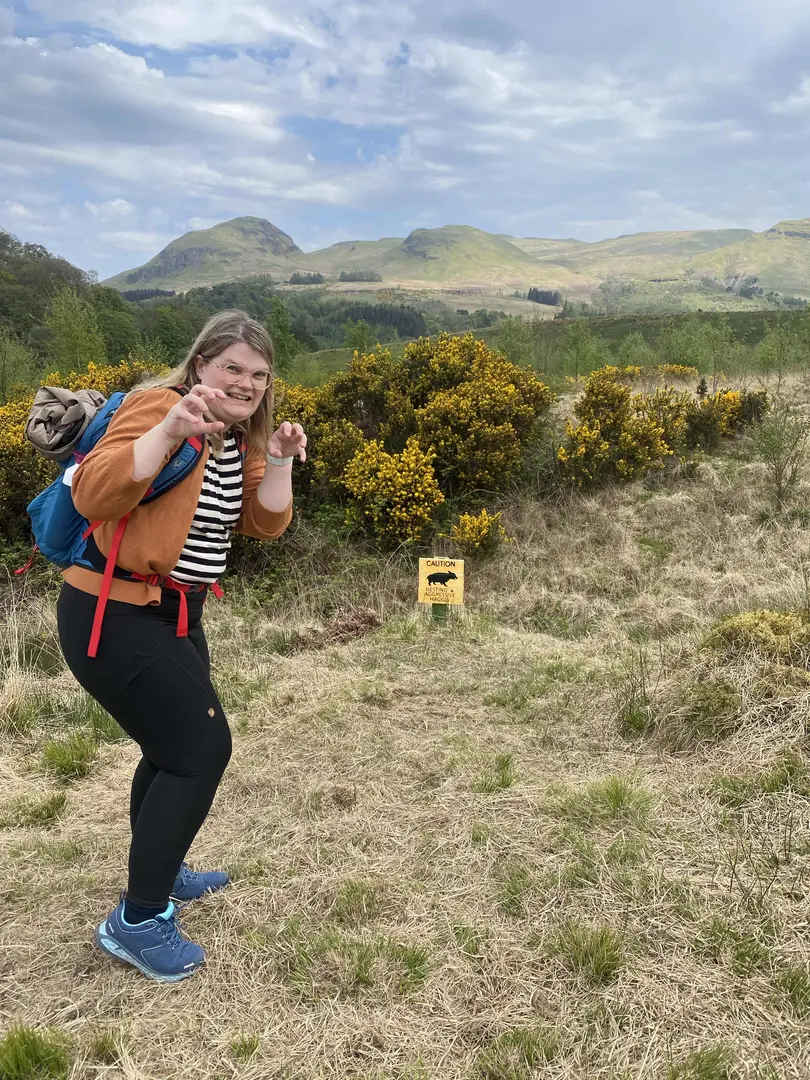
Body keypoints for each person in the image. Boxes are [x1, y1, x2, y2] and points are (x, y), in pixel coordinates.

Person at [56, 310, 306, 983]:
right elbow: (97, 494)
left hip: (175, 614)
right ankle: (138, 921)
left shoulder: (237, 439)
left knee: (170, 750)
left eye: (259, 374)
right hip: (113, 610)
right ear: (200, 365)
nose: (246, 383)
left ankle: (160, 873)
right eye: (232, 367)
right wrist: (169, 430)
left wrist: (281, 458)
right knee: (200, 752)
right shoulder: (156, 406)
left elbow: (263, 523)